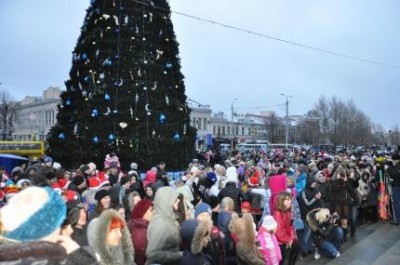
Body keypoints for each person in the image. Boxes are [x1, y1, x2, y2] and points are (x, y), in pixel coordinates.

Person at [0, 186, 97, 264]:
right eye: (59, 225)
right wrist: (80, 257)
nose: (71, 230)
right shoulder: (55, 260)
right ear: (45, 228)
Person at [146, 186, 182, 265]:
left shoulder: (168, 216)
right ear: (166, 201)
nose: (178, 200)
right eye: (175, 198)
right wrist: (178, 255)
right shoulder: (160, 223)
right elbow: (152, 253)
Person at [273, 191, 300, 265]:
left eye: (290, 199)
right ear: (281, 201)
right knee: (281, 259)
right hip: (280, 240)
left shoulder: (289, 210)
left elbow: (291, 226)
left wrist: (291, 237)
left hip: (288, 237)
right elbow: (278, 231)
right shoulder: (277, 213)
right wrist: (288, 240)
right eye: (287, 200)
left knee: (297, 248)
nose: (290, 201)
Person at [129, 199, 154, 265]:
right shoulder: (139, 231)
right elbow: (142, 257)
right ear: (142, 212)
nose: (154, 212)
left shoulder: (143, 226)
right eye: (151, 210)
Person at [387, 153, 400, 225]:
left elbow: (395, 175)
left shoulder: (397, 167)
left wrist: (389, 168)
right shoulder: (396, 166)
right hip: (397, 186)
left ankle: (398, 220)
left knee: (397, 203)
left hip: (397, 186)